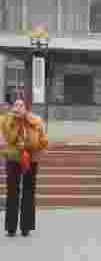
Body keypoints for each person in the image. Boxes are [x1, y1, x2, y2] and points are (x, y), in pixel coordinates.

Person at [2, 99, 48, 237]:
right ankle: (11, 227)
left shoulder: (36, 120)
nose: (18, 107)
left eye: (21, 105)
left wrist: (27, 119)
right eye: (16, 105)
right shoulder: (7, 120)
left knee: (28, 191)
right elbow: (9, 138)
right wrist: (16, 121)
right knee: (12, 191)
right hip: (13, 159)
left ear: (26, 107)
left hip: (31, 159)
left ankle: (26, 227)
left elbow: (43, 141)